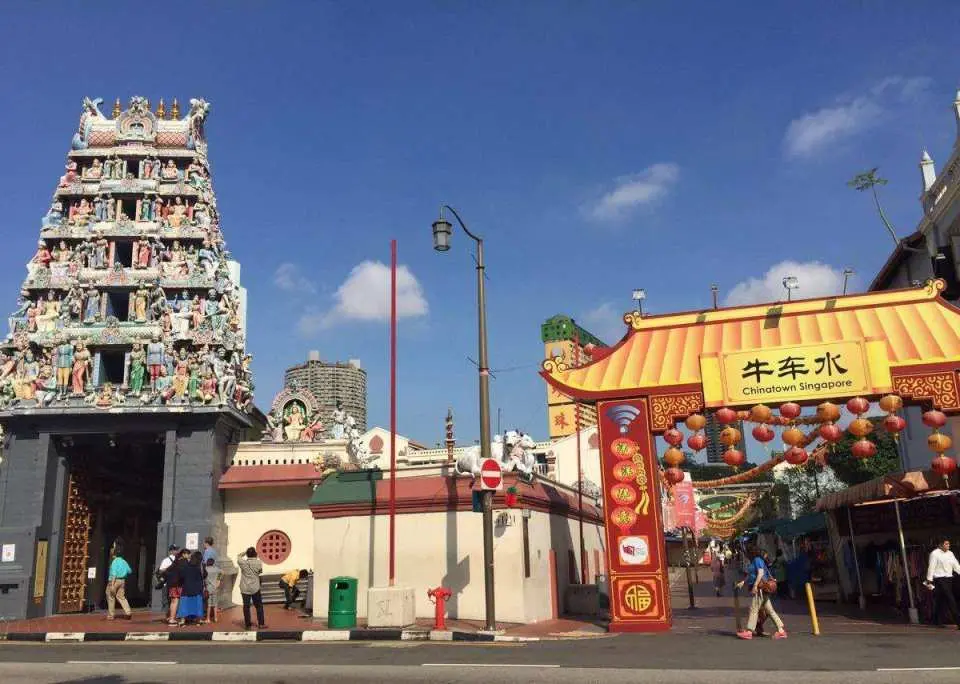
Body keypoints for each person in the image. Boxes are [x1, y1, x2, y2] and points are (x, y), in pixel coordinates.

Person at [736, 544, 787, 640]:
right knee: (770, 610)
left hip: (760, 588)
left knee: (754, 608)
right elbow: (751, 574)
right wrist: (743, 582)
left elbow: (760, 573)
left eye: (747, 552)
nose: (746, 554)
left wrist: (755, 586)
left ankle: (749, 631)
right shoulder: (755, 561)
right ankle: (781, 631)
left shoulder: (757, 560)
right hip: (762, 589)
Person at [924, 537, 960, 629]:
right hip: (939, 579)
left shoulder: (950, 554)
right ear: (940, 545)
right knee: (950, 599)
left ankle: (936, 620)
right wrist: (929, 580)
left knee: (940, 600)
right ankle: (958, 620)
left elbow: (956, 565)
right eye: (946, 544)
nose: (948, 545)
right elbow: (931, 567)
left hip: (949, 579)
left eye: (949, 544)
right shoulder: (934, 554)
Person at [238, 547, 266, 630]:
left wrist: (244, 552)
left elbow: (238, 556)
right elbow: (260, 572)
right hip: (255, 587)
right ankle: (261, 624)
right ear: (255, 554)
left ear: (247, 555)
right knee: (259, 606)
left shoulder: (242, 562)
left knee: (246, 607)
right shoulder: (259, 562)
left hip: (245, 587)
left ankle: (248, 625)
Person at [176, 551, 206, 626]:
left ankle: (183, 621)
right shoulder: (199, 568)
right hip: (197, 589)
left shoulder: (186, 566)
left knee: (184, 604)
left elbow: (181, 576)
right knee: (197, 604)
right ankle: (198, 620)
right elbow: (204, 575)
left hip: (187, 588)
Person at [106, 540, 132, 621]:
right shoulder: (124, 561)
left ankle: (111, 615)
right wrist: (123, 573)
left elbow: (114, 573)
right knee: (121, 597)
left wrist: (112, 585)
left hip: (114, 581)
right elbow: (130, 571)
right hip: (122, 581)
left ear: (114, 555)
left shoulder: (114, 561)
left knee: (110, 596)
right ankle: (128, 612)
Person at [155, 545, 178, 618]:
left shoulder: (166, 560)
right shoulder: (168, 560)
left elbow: (161, 570)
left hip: (168, 584)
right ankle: (171, 616)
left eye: (176, 549)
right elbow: (161, 571)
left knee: (168, 600)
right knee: (172, 600)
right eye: (175, 549)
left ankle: (169, 616)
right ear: (171, 551)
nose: (176, 551)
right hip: (172, 583)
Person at [204, 557, 221, 624]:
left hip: (208, 588)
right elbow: (222, 572)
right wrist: (218, 581)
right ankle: (216, 618)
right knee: (215, 604)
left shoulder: (205, 569)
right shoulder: (216, 569)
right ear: (213, 563)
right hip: (215, 587)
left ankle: (208, 618)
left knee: (209, 604)